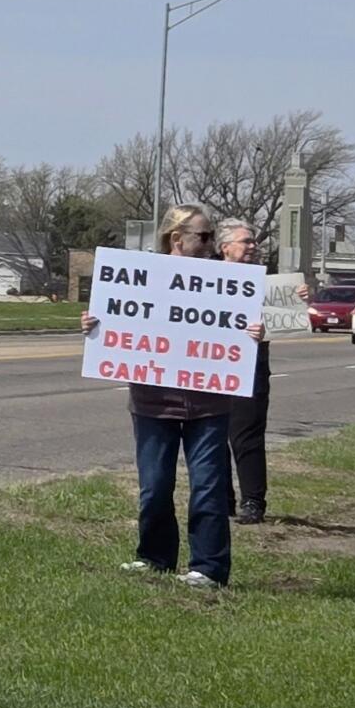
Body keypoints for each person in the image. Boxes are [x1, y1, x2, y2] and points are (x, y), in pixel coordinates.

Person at [81, 203, 240, 588]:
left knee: (208, 488)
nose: (210, 243)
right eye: (203, 236)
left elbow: (259, 320)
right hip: (153, 402)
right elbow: (119, 320)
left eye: (211, 236)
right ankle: (154, 557)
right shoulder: (140, 279)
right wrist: (94, 325)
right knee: (154, 487)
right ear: (176, 240)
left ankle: (208, 568)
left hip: (208, 404)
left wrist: (253, 331)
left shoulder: (228, 281)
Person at [217, 217, 273, 524]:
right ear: (225, 248)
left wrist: (299, 301)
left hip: (251, 365)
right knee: (212, 434)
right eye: (246, 241)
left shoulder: (268, 283)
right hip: (212, 363)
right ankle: (222, 498)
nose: (253, 246)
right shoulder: (203, 278)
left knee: (246, 435)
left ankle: (253, 501)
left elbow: (287, 320)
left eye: (254, 242)